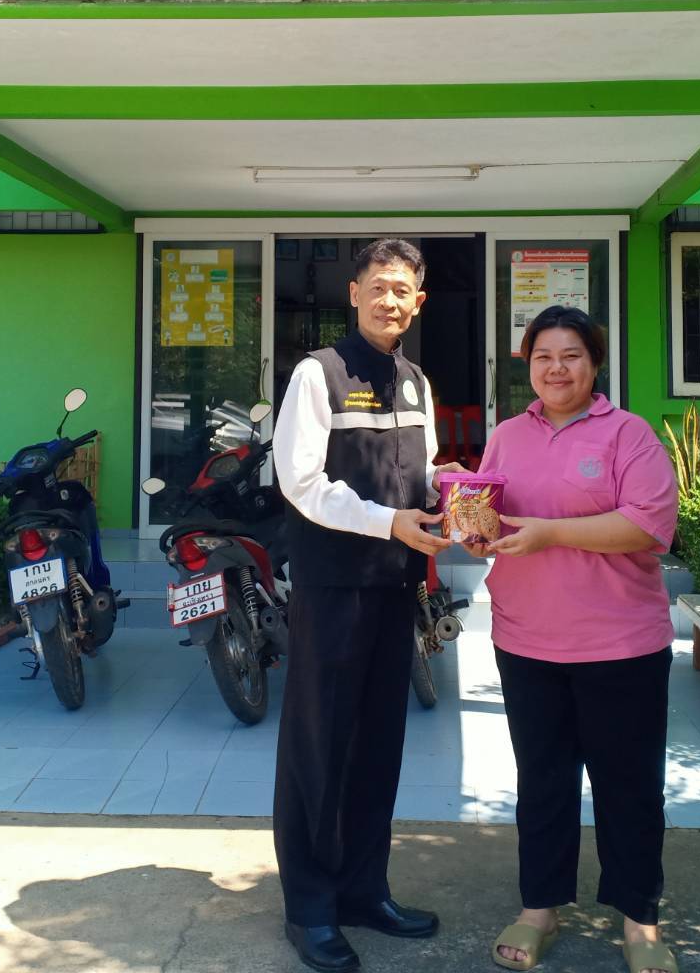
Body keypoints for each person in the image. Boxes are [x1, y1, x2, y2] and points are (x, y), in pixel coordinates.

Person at [466, 306, 679, 973]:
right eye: (543, 357)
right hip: (526, 640)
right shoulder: (507, 435)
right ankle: (540, 909)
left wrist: (552, 533)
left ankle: (640, 920)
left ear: (595, 364)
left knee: (629, 787)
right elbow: (490, 513)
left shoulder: (628, 434)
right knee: (543, 783)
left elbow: (649, 525)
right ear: (527, 365)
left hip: (621, 644)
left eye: (571, 356)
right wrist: (474, 533)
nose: (556, 369)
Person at [271, 237, 463, 973]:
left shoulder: (415, 381)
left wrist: (454, 493)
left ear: (419, 302)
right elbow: (301, 482)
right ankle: (310, 908)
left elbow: (417, 475)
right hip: (333, 588)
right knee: (320, 746)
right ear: (353, 294)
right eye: (377, 286)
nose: (390, 300)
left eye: (402, 289)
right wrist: (389, 522)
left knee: (379, 744)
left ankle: (363, 890)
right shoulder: (318, 374)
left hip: (395, 587)